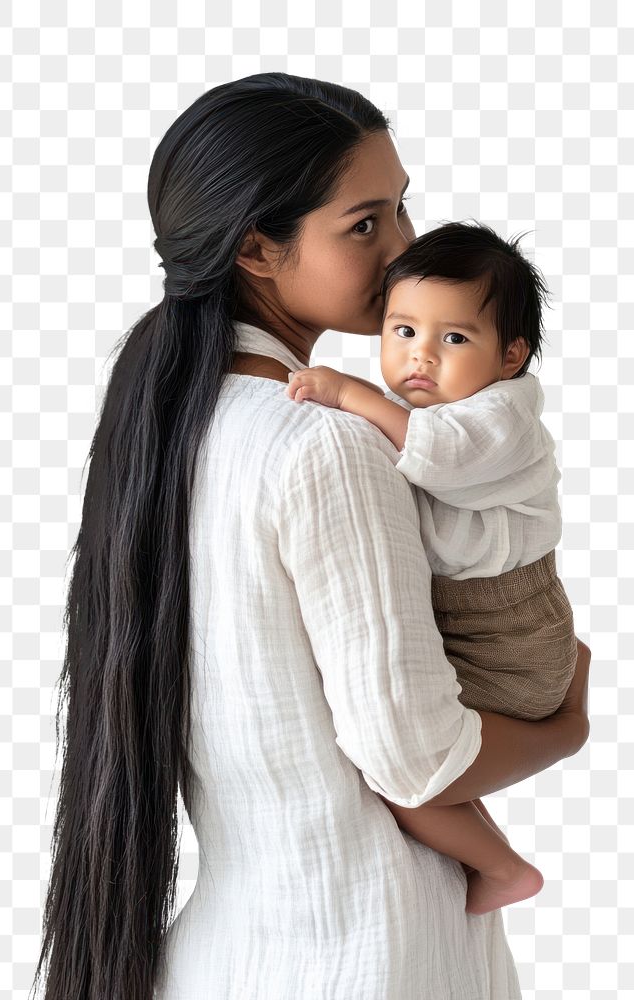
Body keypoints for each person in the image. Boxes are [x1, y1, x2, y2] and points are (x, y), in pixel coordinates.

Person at [30, 73, 591, 1000]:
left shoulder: (172, 425)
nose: (406, 246)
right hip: (369, 950)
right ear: (257, 247)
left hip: (234, 949)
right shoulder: (325, 443)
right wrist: (565, 727)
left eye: (401, 208)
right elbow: (416, 757)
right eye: (365, 224)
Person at [285, 219, 578, 917]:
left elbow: (439, 455)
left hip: (504, 638)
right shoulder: (436, 409)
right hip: (488, 626)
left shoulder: (500, 415)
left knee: (402, 772)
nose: (420, 357)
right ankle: (497, 852)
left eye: (453, 339)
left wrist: (352, 395)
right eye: (402, 331)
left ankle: (503, 869)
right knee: (424, 761)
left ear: (510, 356)